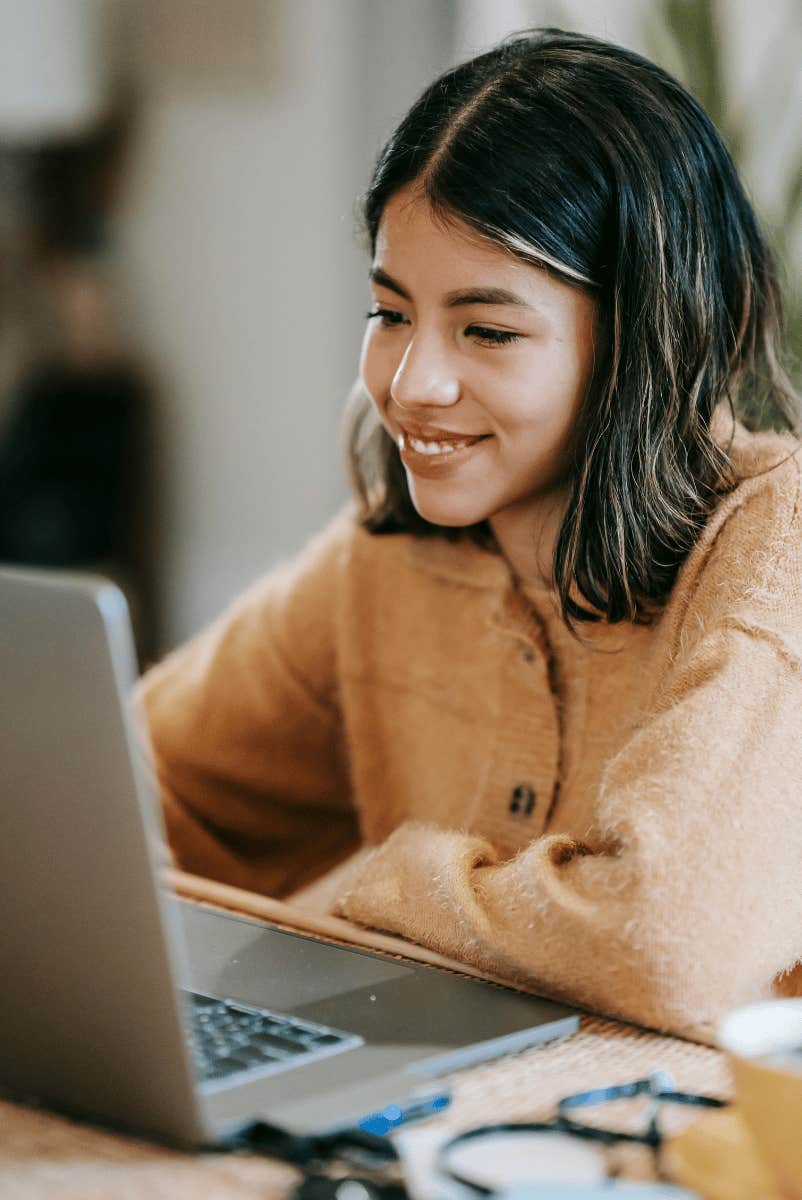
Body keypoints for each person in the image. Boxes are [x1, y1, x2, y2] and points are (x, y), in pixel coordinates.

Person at [137, 29, 802, 1044]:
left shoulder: (774, 541)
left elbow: (666, 944)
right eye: (389, 311)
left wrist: (381, 879)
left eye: (486, 330)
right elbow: (133, 779)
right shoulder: (391, 559)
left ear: (645, 336)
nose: (410, 386)